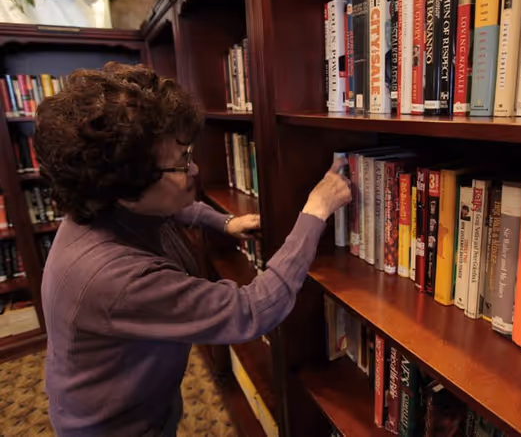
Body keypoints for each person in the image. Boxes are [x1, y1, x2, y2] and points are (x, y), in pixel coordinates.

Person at [35, 63, 351, 437]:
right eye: (182, 161)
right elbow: (253, 310)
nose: (196, 168)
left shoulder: (107, 202)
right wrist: (316, 210)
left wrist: (222, 222)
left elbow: (167, 207)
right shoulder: (112, 277)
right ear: (126, 185)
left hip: (137, 400)